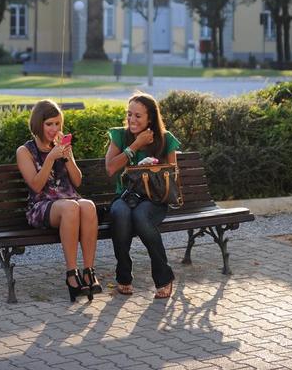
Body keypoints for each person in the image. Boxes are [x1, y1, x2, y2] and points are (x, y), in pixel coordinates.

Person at [16, 99, 101, 301]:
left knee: (88, 206)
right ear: (38, 124)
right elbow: (36, 186)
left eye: (57, 124)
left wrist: (68, 156)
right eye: (49, 124)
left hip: (68, 200)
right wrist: (51, 158)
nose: (54, 129)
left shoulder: (61, 146)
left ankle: (89, 272)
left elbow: (78, 182)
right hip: (41, 206)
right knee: (71, 207)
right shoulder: (25, 151)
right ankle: (72, 275)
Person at [105, 92, 180, 299]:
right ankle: (123, 275)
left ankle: (163, 276)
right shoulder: (120, 136)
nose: (131, 119)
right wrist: (135, 146)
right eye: (129, 114)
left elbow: (172, 175)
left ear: (150, 118)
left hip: (153, 200)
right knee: (120, 213)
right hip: (125, 197)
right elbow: (110, 169)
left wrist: (152, 168)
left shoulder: (165, 139)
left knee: (140, 216)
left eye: (138, 116)